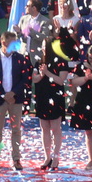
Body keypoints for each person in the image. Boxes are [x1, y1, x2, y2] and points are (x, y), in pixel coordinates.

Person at [0, 31, 32, 171]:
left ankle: (16, 159)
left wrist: (12, 93)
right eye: (12, 42)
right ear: (3, 42)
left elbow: (25, 79)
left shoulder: (21, 59)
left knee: (16, 130)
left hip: (15, 99)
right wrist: (3, 95)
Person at [35, 29, 72, 170]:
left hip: (55, 97)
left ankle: (56, 157)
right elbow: (35, 79)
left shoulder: (61, 61)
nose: (43, 49)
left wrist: (47, 72)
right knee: (44, 128)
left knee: (55, 128)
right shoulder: (39, 61)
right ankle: (47, 157)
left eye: (45, 47)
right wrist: (41, 74)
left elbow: (61, 81)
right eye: (42, 47)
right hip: (42, 96)